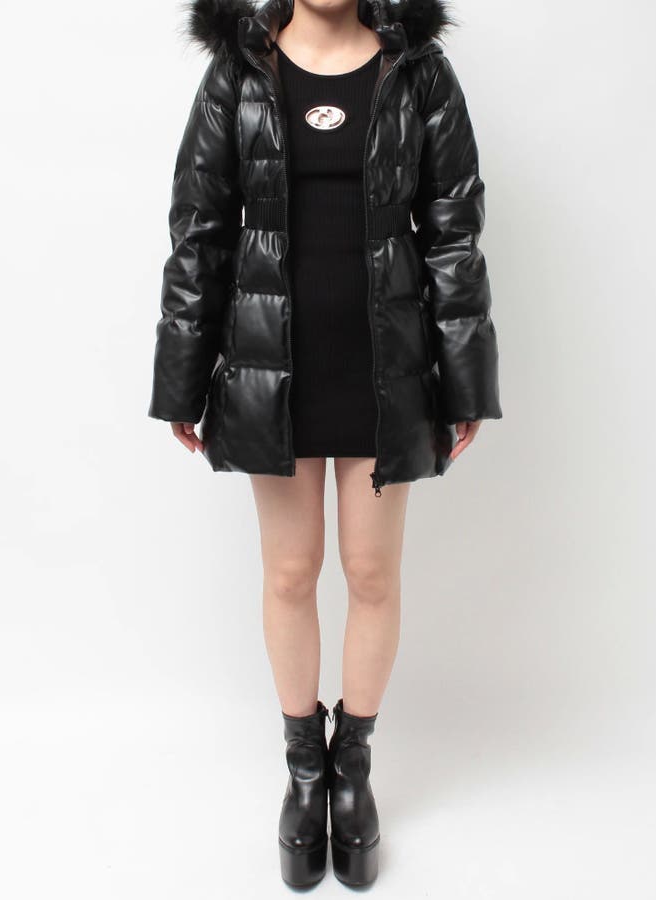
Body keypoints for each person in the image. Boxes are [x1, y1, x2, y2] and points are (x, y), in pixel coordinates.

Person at [148, 0, 501, 887]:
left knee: (371, 573)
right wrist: (182, 379)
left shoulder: (416, 70)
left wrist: (465, 380)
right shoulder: (240, 71)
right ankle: (305, 771)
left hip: (386, 367)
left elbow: (453, 229)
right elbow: (200, 227)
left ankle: (354, 771)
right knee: (290, 573)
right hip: (276, 366)